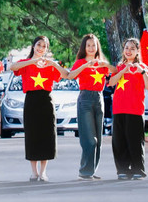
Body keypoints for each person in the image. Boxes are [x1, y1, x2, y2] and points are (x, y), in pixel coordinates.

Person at [9, 36, 67, 181]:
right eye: (38, 45)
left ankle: (43, 172)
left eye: (44, 46)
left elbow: (65, 75)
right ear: (33, 46)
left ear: (47, 49)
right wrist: (32, 61)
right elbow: (13, 67)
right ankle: (34, 172)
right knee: (32, 135)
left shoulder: (49, 64)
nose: (41, 48)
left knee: (47, 135)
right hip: (31, 101)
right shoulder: (26, 63)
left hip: (46, 101)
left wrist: (53, 63)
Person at [63, 33, 110, 180]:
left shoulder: (101, 62)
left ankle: (91, 170)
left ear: (97, 47)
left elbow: (114, 72)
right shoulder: (80, 62)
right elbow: (70, 76)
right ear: (84, 47)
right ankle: (84, 170)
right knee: (89, 139)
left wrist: (105, 65)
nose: (91, 48)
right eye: (88, 45)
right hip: (85, 98)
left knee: (98, 139)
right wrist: (85, 66)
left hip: (99, 98)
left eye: (93, 45)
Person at [108, 38, 148, 180]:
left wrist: (142, 72)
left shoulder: (143, 67)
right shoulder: (119, 66)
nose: (128, 51)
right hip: (119, 108)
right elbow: (111, 82)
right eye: (126, 48)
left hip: (135, 109)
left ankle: (138, 169)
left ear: (137, 51)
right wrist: (124, 71)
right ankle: (122, 169)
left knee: (135, 141)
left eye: (132, 48)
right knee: (119, 141)